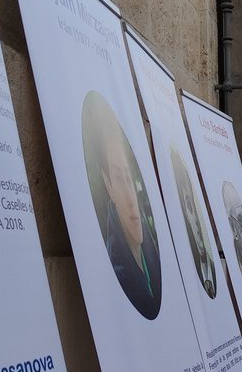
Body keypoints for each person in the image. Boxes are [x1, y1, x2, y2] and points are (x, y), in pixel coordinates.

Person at [83, 95, 162, 319]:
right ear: (108, 186)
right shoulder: (115, 270)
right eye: (119, 179)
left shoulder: (149, 242)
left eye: (129, 178)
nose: (131, 198)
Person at [171, 148, 217, 298]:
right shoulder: (186, 268)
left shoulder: (214, 268)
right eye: (187, 207)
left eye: (193, 204)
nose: (195, 219)